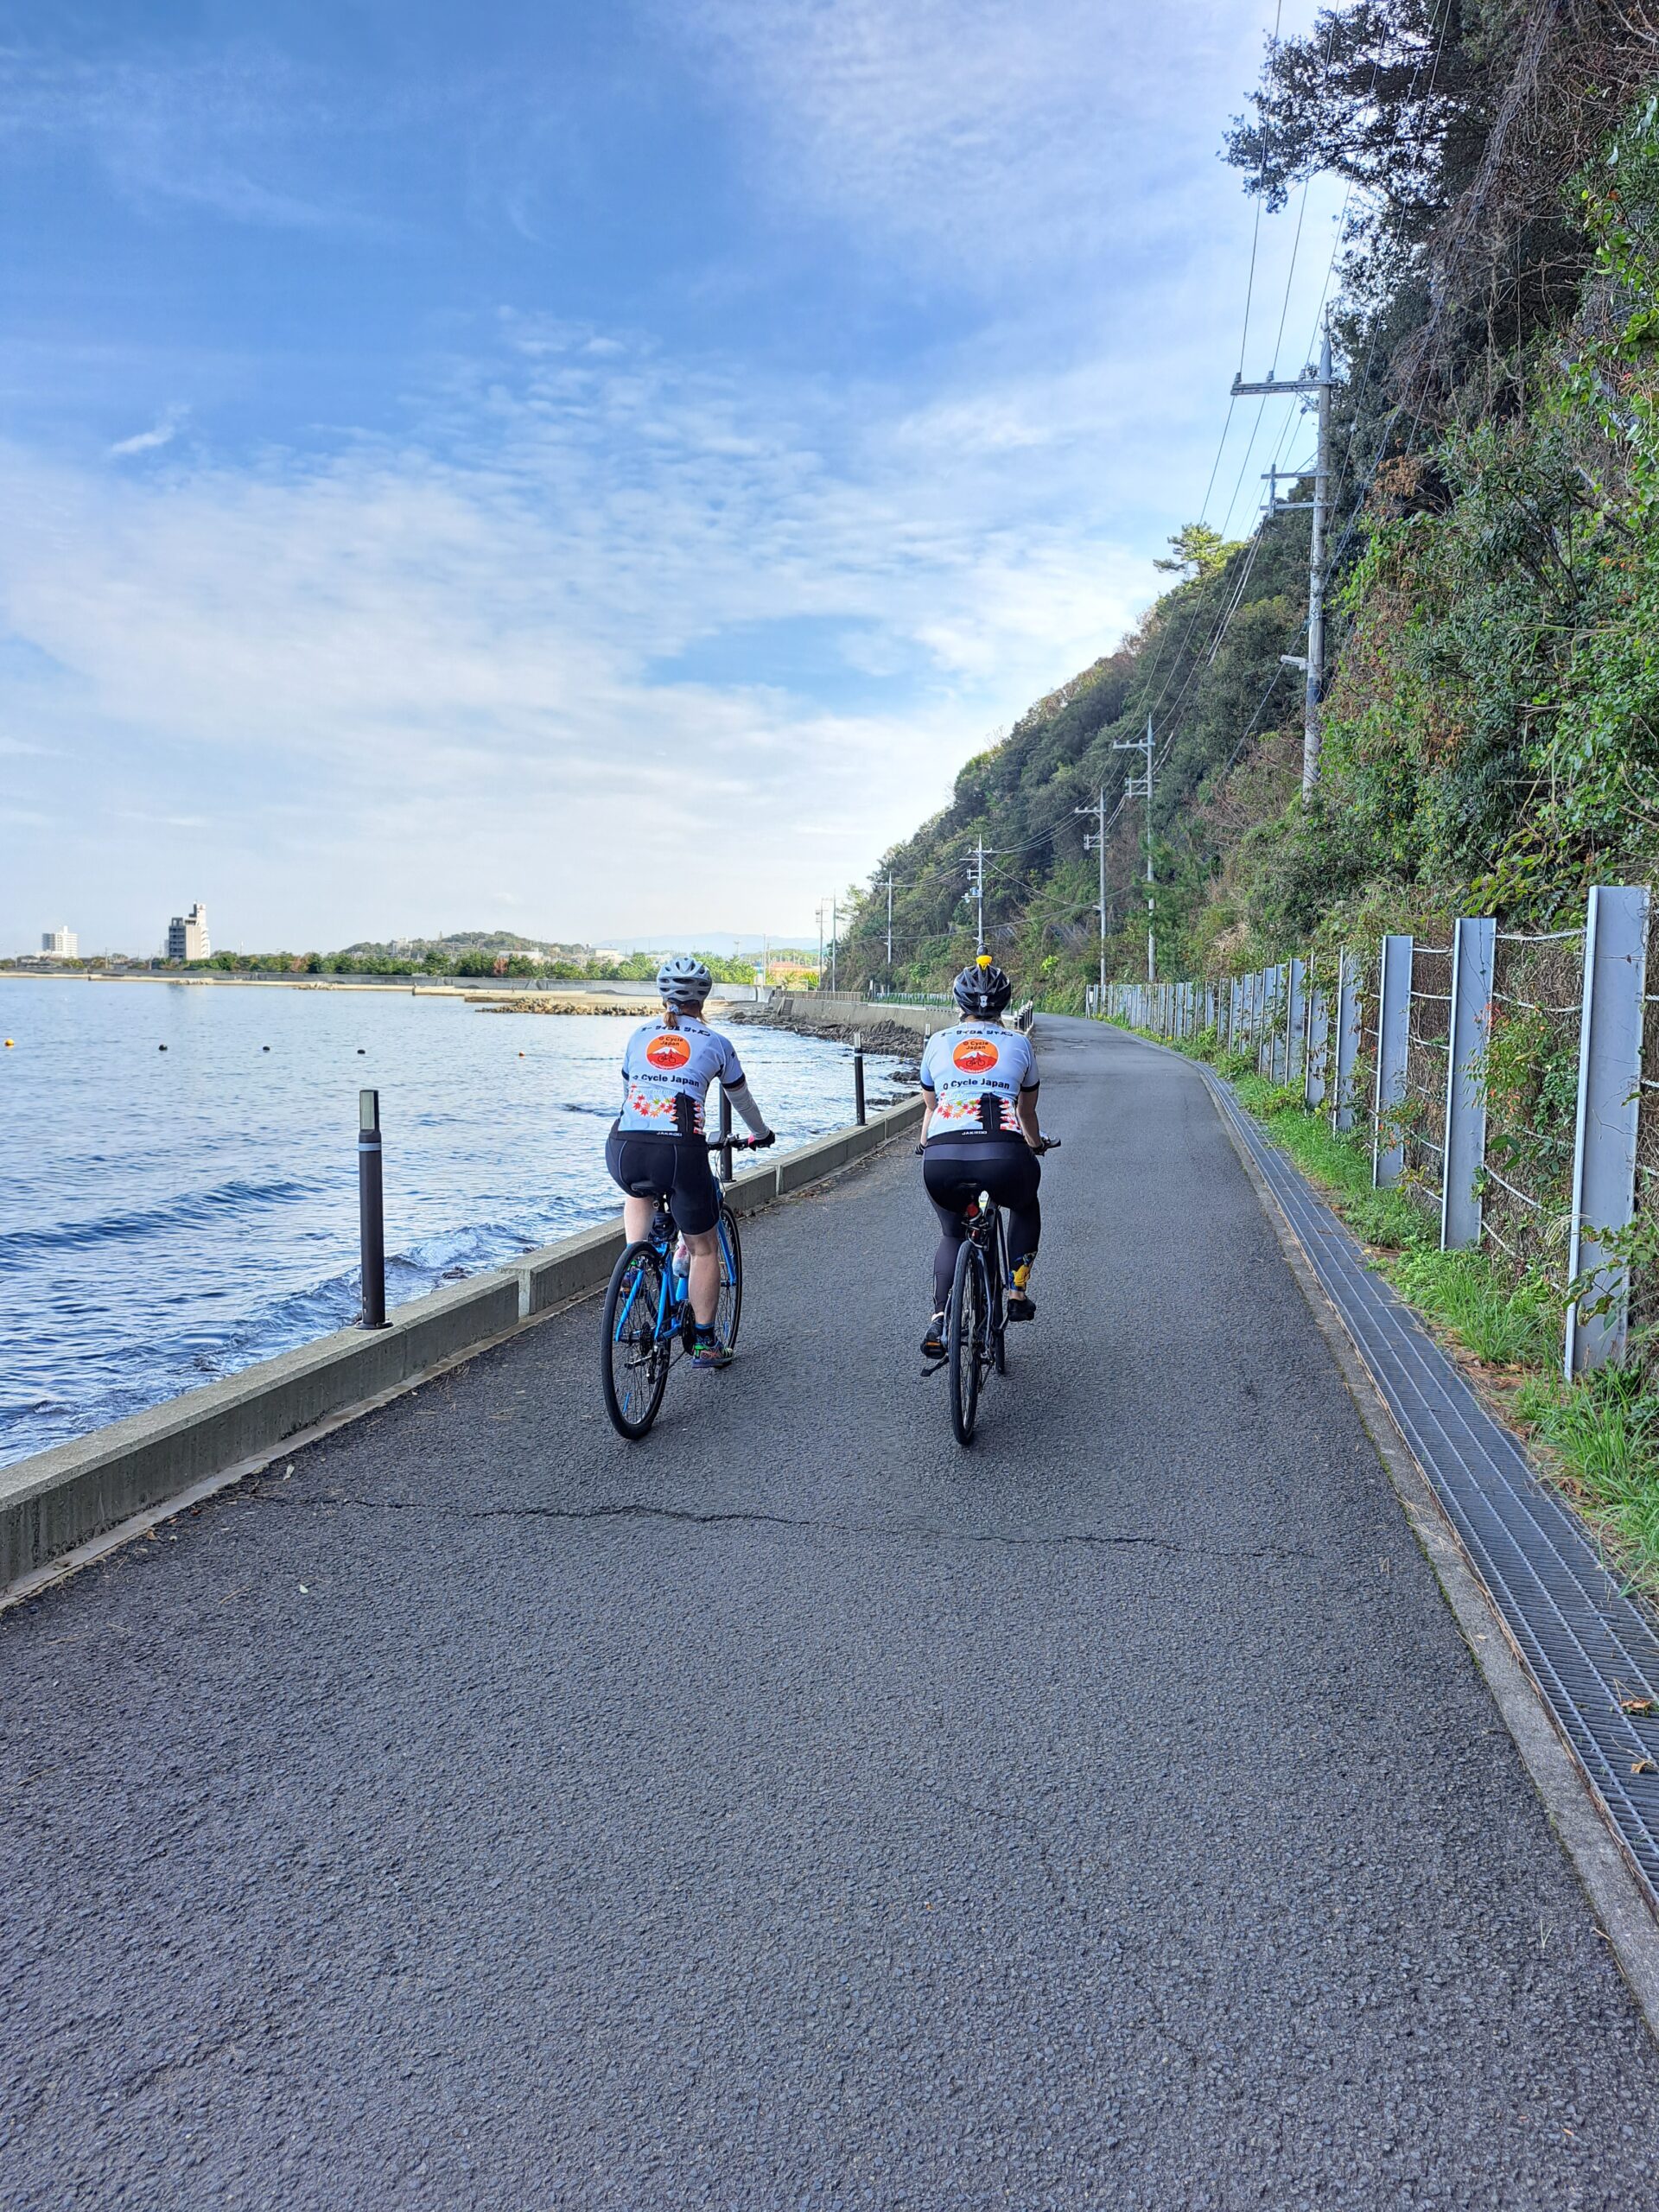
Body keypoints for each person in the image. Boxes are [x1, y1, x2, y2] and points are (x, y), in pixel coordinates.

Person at [605, 956, 775, 1369]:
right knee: (703, 1248)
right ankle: (704, 1342)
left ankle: (633, 1262)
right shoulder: (715, 1043)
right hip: (680, 1150)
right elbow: (741, 1100)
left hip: (624, 1146)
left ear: (662, 995)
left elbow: (628, 1092)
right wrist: (763, 1134)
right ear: (705, 998)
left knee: (638, 1190)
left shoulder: (637, 1036)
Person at [917, 955, 1046, 1360]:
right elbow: (1025, 1114)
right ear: (1005, 1006)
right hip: (1004, 1155)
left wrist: (924, 1146)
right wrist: (1037, 1143)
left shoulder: (937, 1043)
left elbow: (932, 1108)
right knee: (1025, 1204)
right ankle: (1016, 1289)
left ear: (960, 1006)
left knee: (953, 1234)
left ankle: (940, 1319)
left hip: (942, 1158)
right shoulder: (1020, 1043)